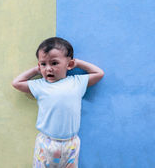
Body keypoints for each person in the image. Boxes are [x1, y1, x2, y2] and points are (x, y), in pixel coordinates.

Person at [12, 37, 104, 168]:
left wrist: (77, 63)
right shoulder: (40, 85)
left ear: (69, 65)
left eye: (54, 63)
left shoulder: (76, 82)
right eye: (43, 64)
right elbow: (16, 83)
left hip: (71, 143)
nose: (48, 68)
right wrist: (36, 70)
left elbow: (99, 73)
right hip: (47, 143)